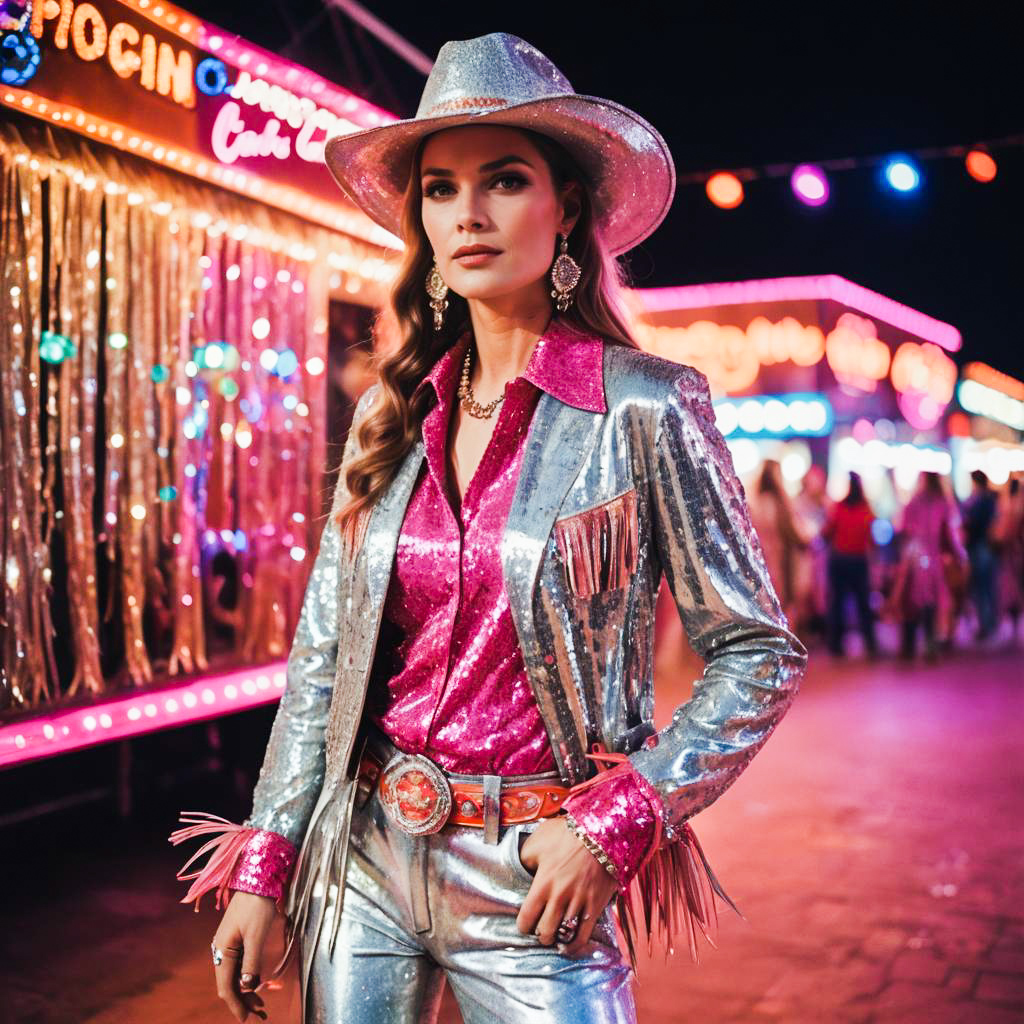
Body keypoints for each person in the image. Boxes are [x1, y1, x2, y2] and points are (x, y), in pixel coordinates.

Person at [170, 33, 806, 1024]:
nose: (466, 214)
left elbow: (756, 651)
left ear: (567, 210)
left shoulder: (643, 406)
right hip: (368, 854)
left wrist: (617, 819)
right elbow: (326, 659)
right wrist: (265, 859)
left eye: (504, 180)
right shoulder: (393, 414)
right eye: (439, 189)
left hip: (534, 873)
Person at [892, 472, 966, 660]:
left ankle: (909, 646)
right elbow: (948, 534)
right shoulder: (942, 504)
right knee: (929, 604)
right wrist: (958, 556)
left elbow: (902, 531)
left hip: (915, 559)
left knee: (911, 603)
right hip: (932, 561)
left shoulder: (914, 503)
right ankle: (930, 644)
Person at [823, 473, 877, 657]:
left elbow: (828, 531)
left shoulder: (839, 507)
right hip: (858, 559)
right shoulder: (866, 509)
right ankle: (870, 643)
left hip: (839, 559)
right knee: (863, 603)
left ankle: (836, 645)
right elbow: (870, 536)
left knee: (838, 603)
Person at [962, 469, 999, 640]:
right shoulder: (990, 499)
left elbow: (974, 523)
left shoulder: (980, 500)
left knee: (982, 587)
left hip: (980, 547)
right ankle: (989, 622)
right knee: (987, 586)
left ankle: (986, 624)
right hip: (986, 547)